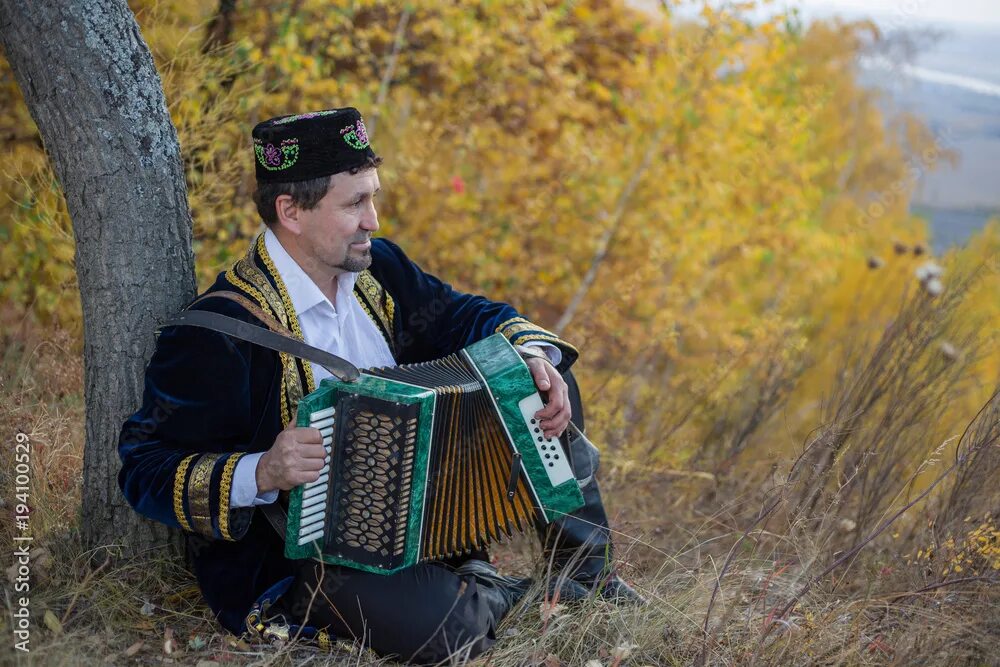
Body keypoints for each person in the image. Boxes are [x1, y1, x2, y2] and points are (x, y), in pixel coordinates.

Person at [118, 107, 642, 664]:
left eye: (373, 197)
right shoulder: (219, 331)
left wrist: (532, 354)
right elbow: (143, 467)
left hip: (424, 530)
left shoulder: (377, 267)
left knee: (543, 375)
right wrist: (262, 471)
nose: (372, 219)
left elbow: (467, 316)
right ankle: (500, 595)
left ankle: (585, 579)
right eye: (354, 204)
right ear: (290, 211)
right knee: (453, 634)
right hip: (306, 565)